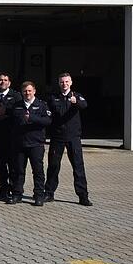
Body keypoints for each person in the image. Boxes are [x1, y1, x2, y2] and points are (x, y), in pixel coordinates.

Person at [46, 73, 92, 206]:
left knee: (78, 167)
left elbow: (84, 105)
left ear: (71, 82)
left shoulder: (76, 96)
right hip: (57, 137)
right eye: (62, 82)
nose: (64, 84)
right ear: (59, 83)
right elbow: (48, 113)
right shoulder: (53, 97)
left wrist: (75, 102)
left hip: (73, 137)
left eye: (66, 82)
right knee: (53, 166)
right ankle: (49, 193)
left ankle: (83, 196)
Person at [9, 81, 51, 206]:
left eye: (29, 91)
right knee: (18, 171)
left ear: (34, 91)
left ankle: (39, 196)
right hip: (20, 144)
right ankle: (17, 194)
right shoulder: (17, 106)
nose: (27, 93)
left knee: (38, 171)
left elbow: (48, 121)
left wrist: (32, 118)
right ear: (22, 92)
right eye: (25, 91)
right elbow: (11, 123)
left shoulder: (42, 105)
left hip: (36, 144)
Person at [0, 73, 23, 200]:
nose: (2, 82)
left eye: (5, 80)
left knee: (13, 165)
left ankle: (14, 190)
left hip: (12, 137)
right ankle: (3, 189)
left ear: (9, 83)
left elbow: (19, 113)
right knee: (0, 164)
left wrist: (7, 111)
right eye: (0, 80)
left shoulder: (16, 97)